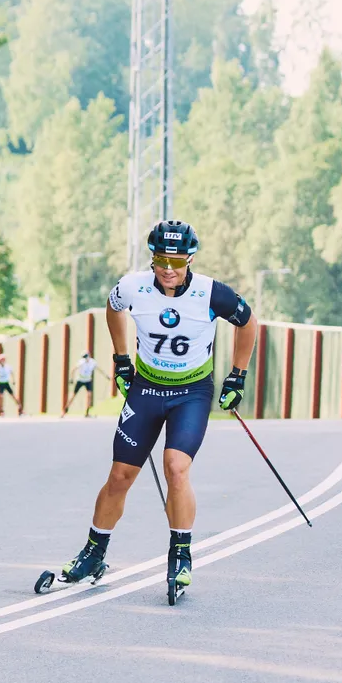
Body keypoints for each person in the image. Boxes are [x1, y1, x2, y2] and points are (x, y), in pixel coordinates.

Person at [53, 220, 256, 603]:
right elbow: (113, 308)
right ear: (152, 258)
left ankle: (181, 554)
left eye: (176, 261)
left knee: (176, 467)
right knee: (120, 475)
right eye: (161, 259)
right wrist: (121, 358)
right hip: (146, 388)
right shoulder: (133, 286)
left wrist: (237, 377)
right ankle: (94, 554)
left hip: (191, 392)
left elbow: (248, 324)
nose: (168, 268)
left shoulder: (211, 292)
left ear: (189, 259)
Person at [61, 351, 105, 418]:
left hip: (88, 381)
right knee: (73, 395)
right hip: (80, 380)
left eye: (86, 357)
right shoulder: (81, 362)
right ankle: (64, 411)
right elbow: (73, 370)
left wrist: (106, 376)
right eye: (84, 357)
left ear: (89, 356)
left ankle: (87, 413)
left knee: (89, 396)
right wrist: (71, 379)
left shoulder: (92, 362)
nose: (85, 359)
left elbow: (99, 369)